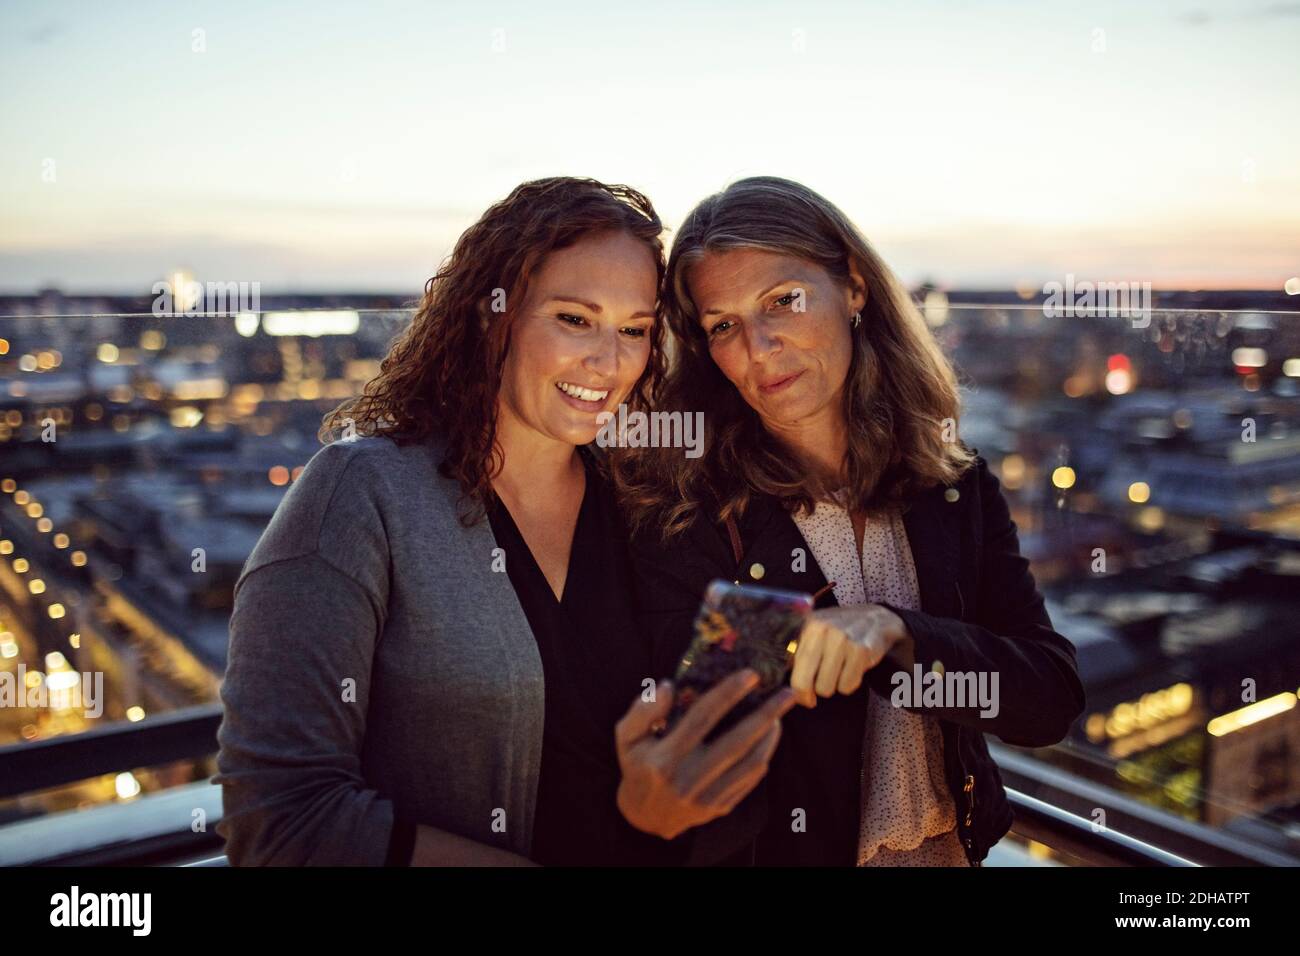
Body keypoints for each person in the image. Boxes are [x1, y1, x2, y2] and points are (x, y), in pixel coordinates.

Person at [214, 176, 795, 866]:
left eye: (634, 330)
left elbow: (733, 724)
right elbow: (279, 819)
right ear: (493, 315)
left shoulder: (648, 502)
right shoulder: (362, 494)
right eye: (574, 319)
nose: (608, 363)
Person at [617, 176, 1087, 866]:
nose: (759, 344)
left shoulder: (950, 485)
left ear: (856, 288)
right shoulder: (696, 516)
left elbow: (1047, 699)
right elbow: (707, 748)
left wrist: (896, 637)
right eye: (723, 324)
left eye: (783, 300)